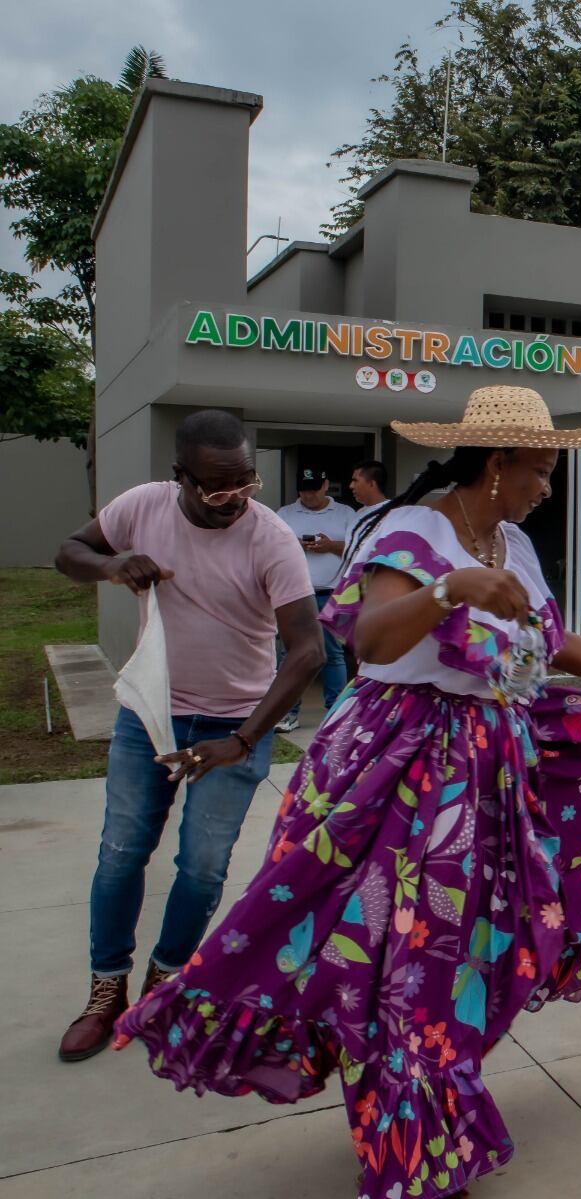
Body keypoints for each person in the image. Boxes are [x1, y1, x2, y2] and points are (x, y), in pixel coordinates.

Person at [116, 385, 581, 1199]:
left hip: (490, 766)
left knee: (471, 953)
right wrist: (452, 589)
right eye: (540, 470)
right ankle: (412, 1143)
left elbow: (549, 641)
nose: (547, 487)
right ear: (497, 461)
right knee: (408, 961)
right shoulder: (412, 529)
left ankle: (428, 1114)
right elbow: (370, 640)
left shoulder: (513, 541)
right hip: (399, 765)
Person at [52, 409, 324, 1062]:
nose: (236, 498)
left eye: (247, 482)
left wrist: (243, 739)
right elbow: (69, 553)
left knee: (203, 867)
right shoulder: (143, 506)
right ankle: (107, 988)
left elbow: (308, 650)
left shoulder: (271, 538)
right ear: (181, 476)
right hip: (150, 715)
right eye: (218, 487)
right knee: (121, 852)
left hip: (236, 723)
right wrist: (114, 563)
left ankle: (166, 982)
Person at [274, 467, 357, 731]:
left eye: (313, 489)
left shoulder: (345, 513)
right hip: (294, 595)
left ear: (325, 486)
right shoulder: (285, 514)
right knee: (291, 653)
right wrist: (295, 545)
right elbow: (271, 547)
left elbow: (359, 547)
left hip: (330, 592)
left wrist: (330, 545)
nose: (308, 495)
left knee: (332, 653)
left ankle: (335, 713)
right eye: (304, 490)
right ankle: (288, 712)